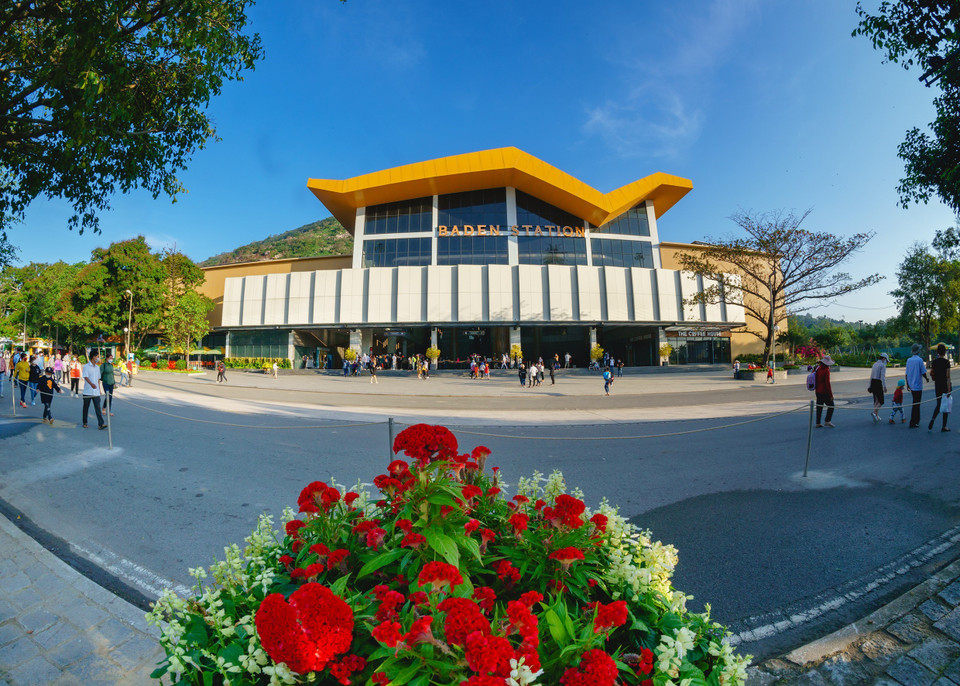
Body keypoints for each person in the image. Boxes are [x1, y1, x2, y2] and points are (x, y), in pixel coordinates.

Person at [905, 343, 930, 428]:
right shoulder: (919, 360)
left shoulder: (909, 360)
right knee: (917, 403)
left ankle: (914, 420)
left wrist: (907, 384)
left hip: (911, 384)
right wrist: (926, 378)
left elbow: (906, 373)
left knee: (915, 402)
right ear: (918, 351)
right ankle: (914, 421)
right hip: (918, 385)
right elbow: (923, 372)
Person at [928, 342, 952, 432]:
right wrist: (949, 389)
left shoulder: (934, 362)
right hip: (945, 385)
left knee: (938, 404)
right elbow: (948, 377)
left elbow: (932, 373)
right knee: (945, 405)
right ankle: (944, 426)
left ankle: (933, 419)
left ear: (938, 352)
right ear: (944, 352)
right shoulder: (946, 362)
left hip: (937, 385)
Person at [82, 350, 106, 430]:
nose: (98, 358)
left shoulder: (97, 368)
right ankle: (85, 422)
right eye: (97, 356)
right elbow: (85, 376)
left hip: (96, 392)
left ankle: (101, 424)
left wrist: (99, 389)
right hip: (87, 391)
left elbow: (98, 379)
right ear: (93, 357)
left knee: (98, 408)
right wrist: (91, 384)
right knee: (86, 407)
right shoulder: (86, 366)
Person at [815, 355, 836, 428]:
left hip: (817, 390)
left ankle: (818, 423)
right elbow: (827, 383)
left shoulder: (818, 368)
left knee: (819, 407)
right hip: (824, 392)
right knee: (831, 406)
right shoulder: (826, 370)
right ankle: (827, 421)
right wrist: (831, 395)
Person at [869, 352, 889, 422]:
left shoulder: (874, 364)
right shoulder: (882, 365)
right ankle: (874, 412)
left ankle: (876, 416)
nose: (886, 362)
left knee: (876, 400)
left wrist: (870, 385)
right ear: (884, 358)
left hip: (873, 382)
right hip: (878, 383)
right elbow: (882, 377)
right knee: (881, 401)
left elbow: (871, 376)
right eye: (886, 360)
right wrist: (884, 386)